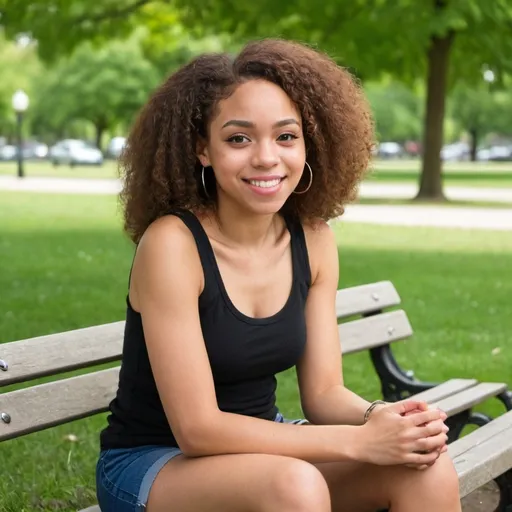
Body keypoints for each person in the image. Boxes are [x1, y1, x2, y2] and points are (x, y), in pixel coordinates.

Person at [96, 38, 460, 512]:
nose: (267, 157)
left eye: (286, 136)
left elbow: (324, 393)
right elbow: (199, 429)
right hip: (155, 463)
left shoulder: (313, 239)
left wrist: (382, 417)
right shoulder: (172, 245)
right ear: (202, 149)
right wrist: (358, 444)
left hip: (267, 451)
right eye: (239, 138)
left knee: (424, 466)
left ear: (309, 143)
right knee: (294, 485)